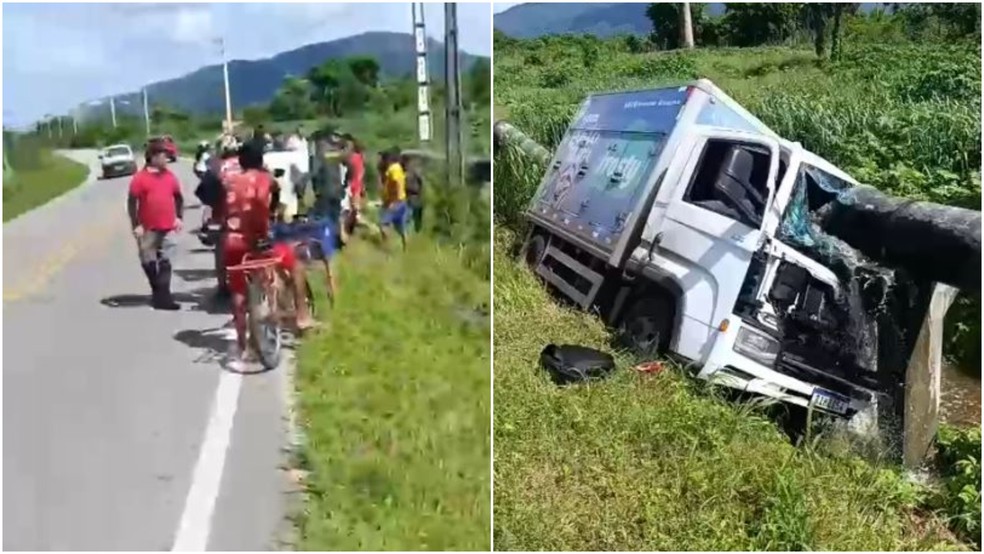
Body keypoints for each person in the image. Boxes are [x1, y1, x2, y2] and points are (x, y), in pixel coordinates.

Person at [220, 140, 315, 370]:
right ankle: (302, 316)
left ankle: (245, 345)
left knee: (238, 292)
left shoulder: (230, 180)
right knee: (295, 265)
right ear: (261, 159)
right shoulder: (265, 178)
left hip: (231, 242)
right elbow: (275, 200)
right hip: (257, 242)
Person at [127, 140, 184, 310]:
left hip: (168, 226)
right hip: (148, 228)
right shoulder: (139, 179)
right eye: (163, 155)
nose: (166, 158)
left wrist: (179, 217)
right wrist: (136, 224)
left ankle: (164, 298)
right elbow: (131, 202)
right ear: (152, 157)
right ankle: (158, 292)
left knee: (166, 261)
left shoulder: (169, 176)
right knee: (148, 261)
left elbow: (179, 197)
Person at [379, 148, 409, 251]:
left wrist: (393, 200)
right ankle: (406, 248)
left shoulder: (393, 169)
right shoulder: (398, 167)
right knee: (400, 227)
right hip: (402, 200)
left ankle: (386, 250)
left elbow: (396, 183)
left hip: (394, 202)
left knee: (383, 226)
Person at [342, 134, 366, 237]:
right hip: (357, 186)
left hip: (353, 187)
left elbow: (350, 173)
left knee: (353, 213)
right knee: (353, 213)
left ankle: (375, 230)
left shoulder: (352, 158)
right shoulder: (359, 157)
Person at [402, 153, 425, 232]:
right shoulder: (405, 173)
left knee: (415, 218)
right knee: (409, 218)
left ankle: (416, 234)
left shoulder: (413, 173)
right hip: (410, 198)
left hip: (415, 197)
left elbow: (421, 183)